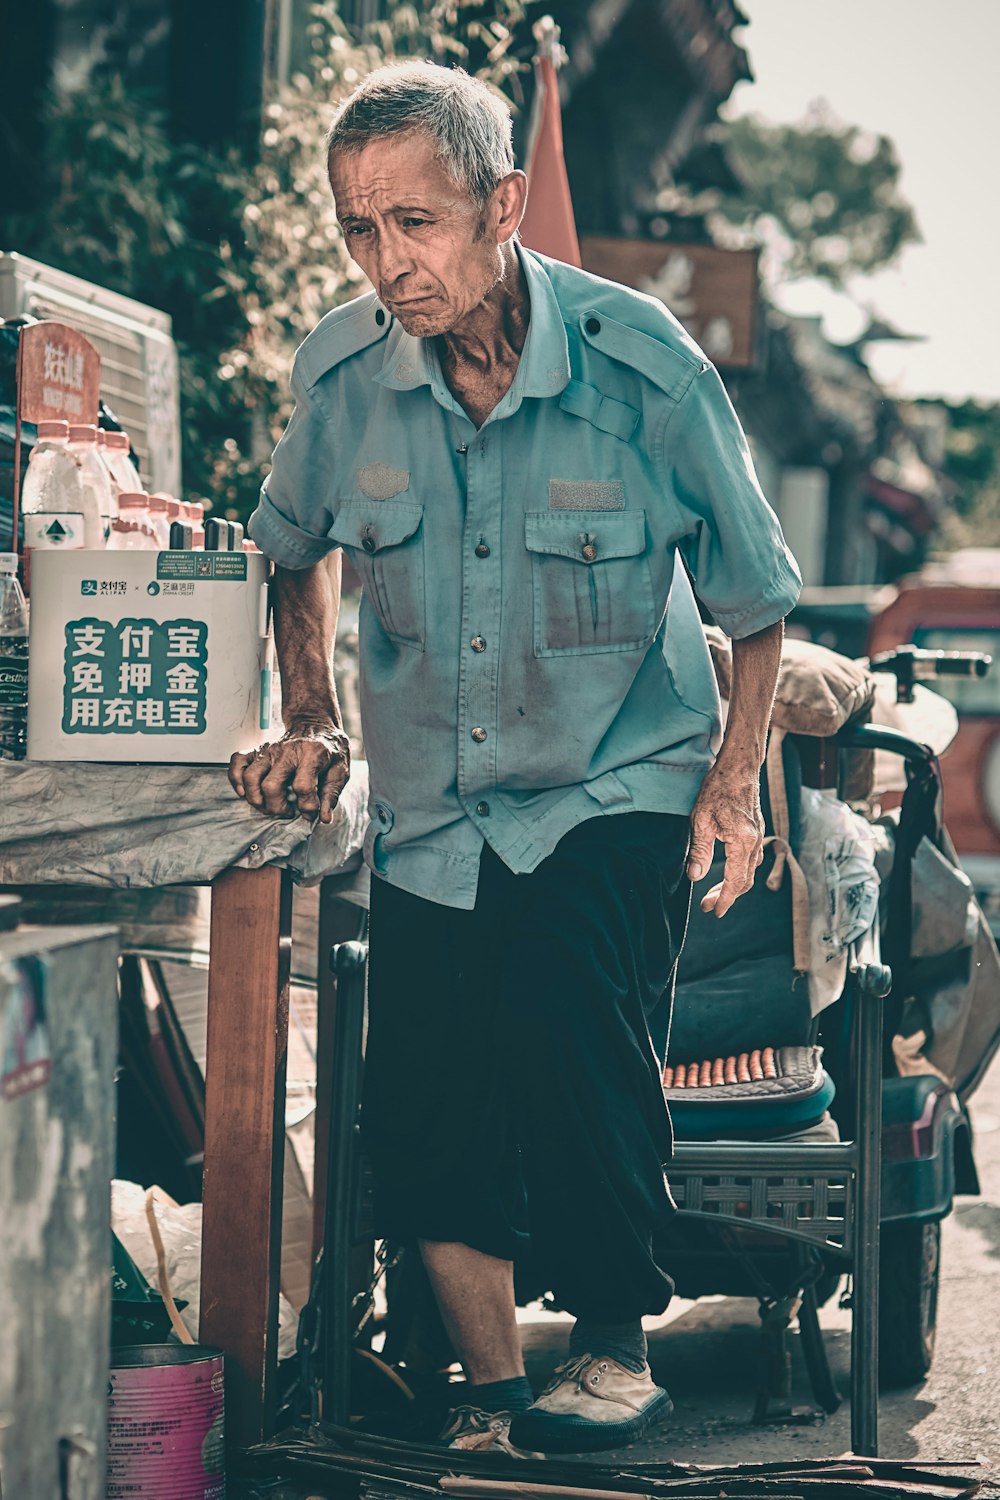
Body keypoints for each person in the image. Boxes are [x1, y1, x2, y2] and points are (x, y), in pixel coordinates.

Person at [230, 61, 801, 1456]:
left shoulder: (642, 365)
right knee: (426, 1097)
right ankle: (491, 1398)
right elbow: (286, 550)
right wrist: (312, 714)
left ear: (502, 205)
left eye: (415, 223)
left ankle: (610, 1343)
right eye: (360, 230)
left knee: (563, 1008)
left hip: (616, 775)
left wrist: (732, 784)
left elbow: (757, 601)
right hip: (433, 800)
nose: (388, 262)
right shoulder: (343, 379)